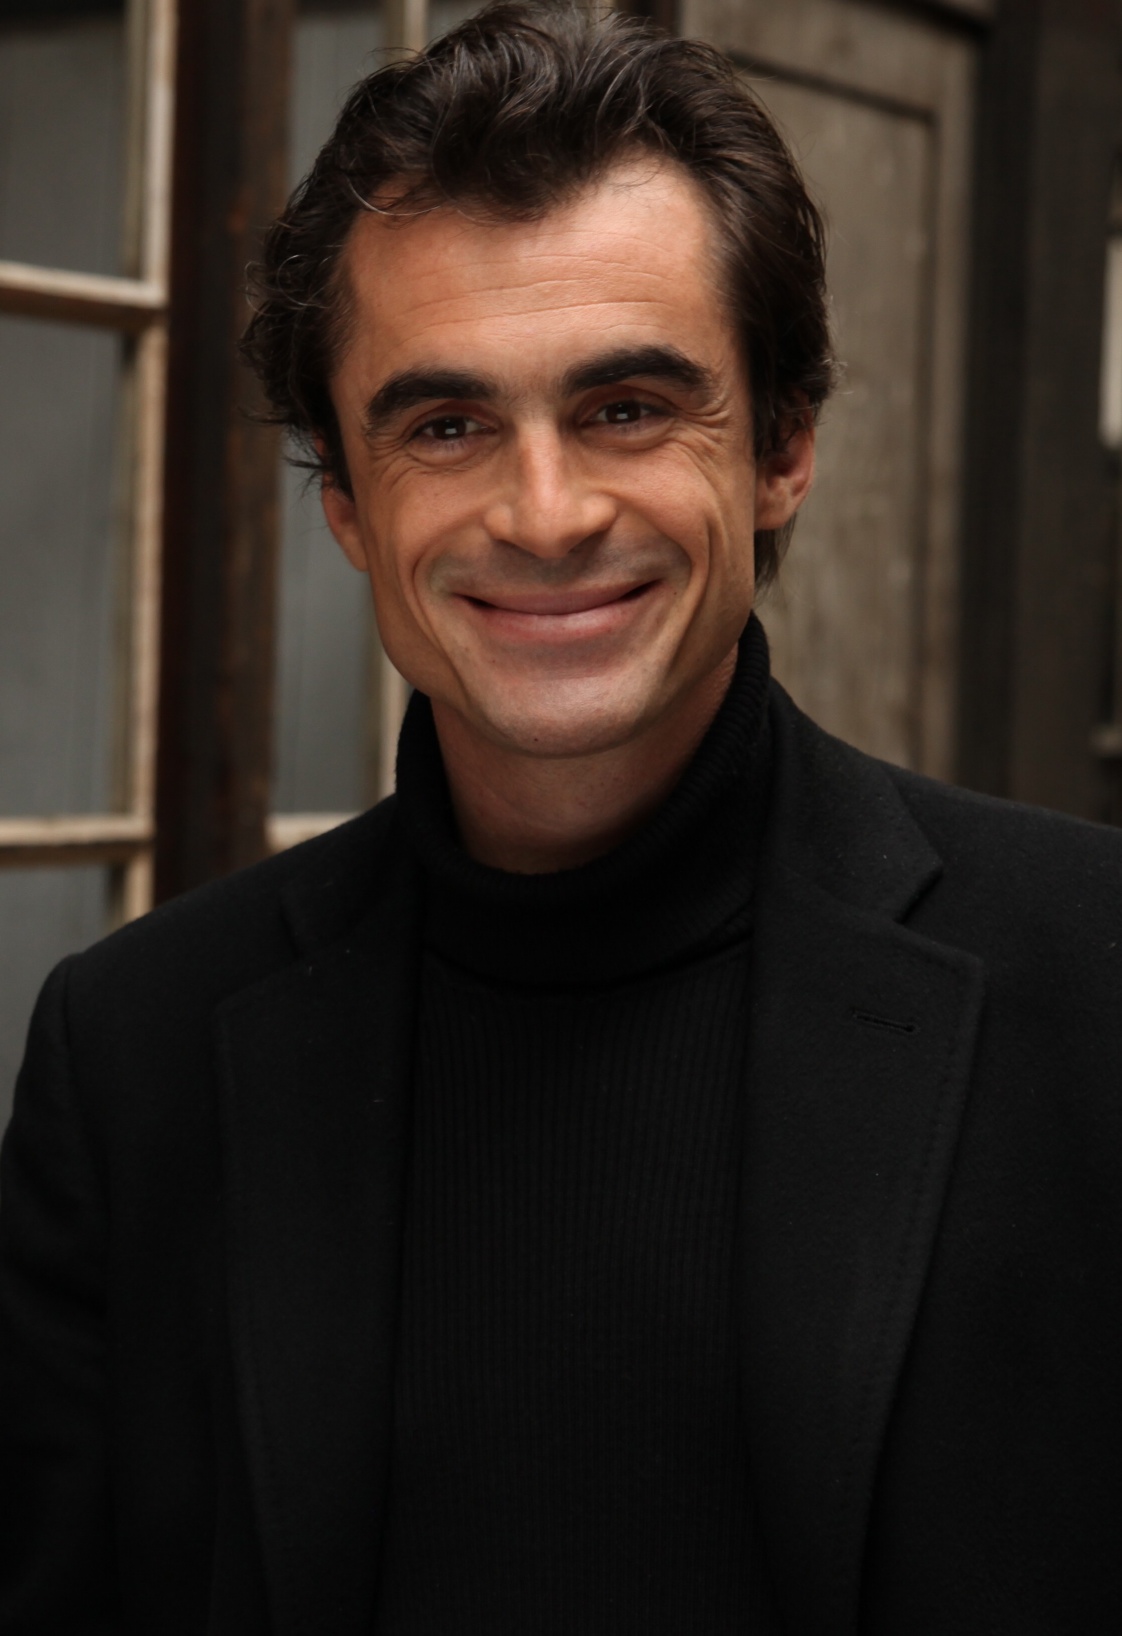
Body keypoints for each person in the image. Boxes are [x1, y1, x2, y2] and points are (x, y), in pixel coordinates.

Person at [2, 3, 1121, 1631]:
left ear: (783, 449)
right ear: (347, 506)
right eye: (446, 426)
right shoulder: (133, 1055)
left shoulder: (1092, 985)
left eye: (626, 409)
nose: (544, 514)